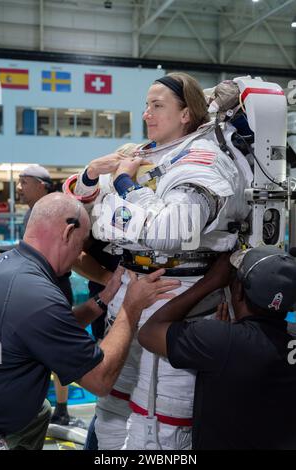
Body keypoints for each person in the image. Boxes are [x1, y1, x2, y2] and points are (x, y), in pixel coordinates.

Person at [68, 72, 252, 449]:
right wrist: (92, 175)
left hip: (179, 297)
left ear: (186, 114)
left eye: (157, 106)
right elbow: (80, 213)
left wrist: (123, 188)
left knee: (160, 423)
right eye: (146, 105)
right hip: (131, 293)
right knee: (112, 409)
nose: (147, 114)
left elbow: (169, 231)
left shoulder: (205, 158)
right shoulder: (139, 154)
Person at [0, 192, 180, 450]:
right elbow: (99, 380)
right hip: (6, 432)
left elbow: (47, 329)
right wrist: (131, 307)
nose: (79, 254)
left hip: (18, 409)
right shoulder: (39, 297)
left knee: (42, 411)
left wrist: (102, 300)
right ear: (68, 232)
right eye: (82, 242)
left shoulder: (8, 266)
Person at [139, 246, 296, 450]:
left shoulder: (221, 341)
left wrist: (210, 282)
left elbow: (148, 333)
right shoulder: (280, 340)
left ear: (238, 290)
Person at [17, 164, 81, 428]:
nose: (19, 188)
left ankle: (61, 409)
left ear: (41, 185)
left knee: (57, 348)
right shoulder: (31, 213)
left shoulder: (52, 212)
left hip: (52, 288)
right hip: (37, 288)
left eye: (24, 182)